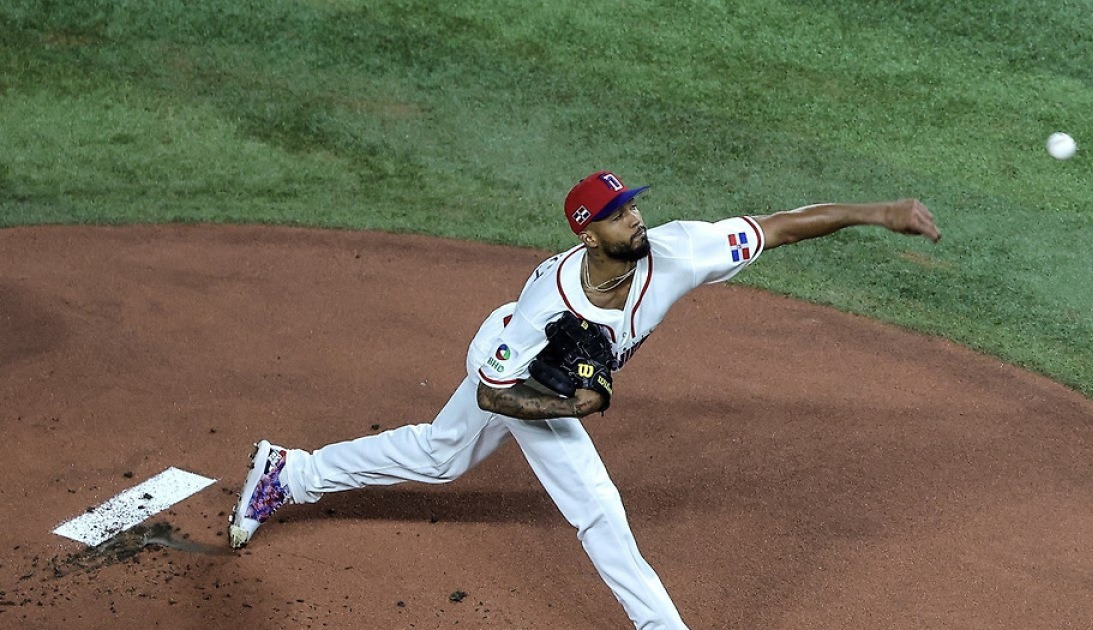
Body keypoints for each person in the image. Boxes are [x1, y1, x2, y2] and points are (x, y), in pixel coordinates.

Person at [228, 170, 941, 629]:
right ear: (586, 231)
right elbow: (494, 391)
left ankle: (287, 474)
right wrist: (567, 411)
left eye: (631, 206)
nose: (634, 219)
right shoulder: (548, 300)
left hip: (537, 377)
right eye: (617, 214)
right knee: (596, 504)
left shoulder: (680, 250)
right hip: (511, 366)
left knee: (439, 455)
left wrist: (882, 213)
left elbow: (779, 224)